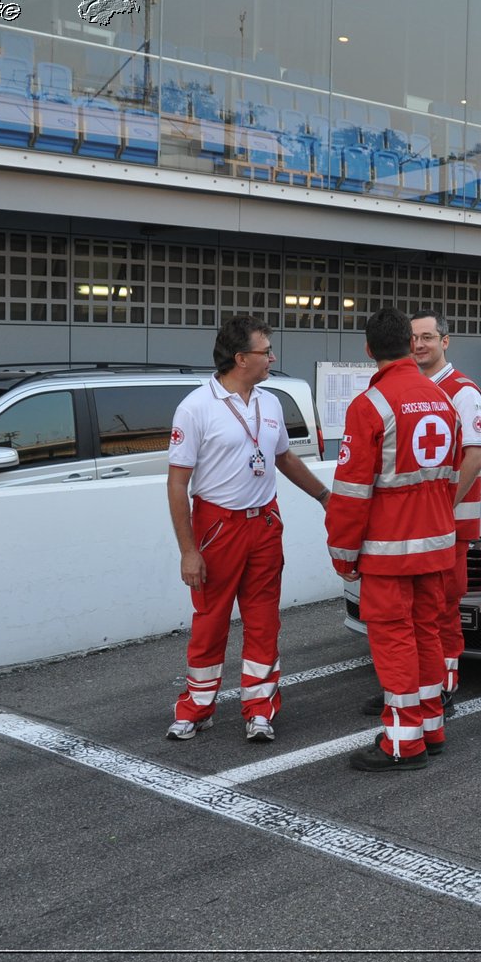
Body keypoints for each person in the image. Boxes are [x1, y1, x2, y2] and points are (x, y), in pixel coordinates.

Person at [165, 315, 332, 743]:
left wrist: (324, 496)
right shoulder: (196, 406)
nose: (272, 358)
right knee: (210, 620)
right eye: (265, 351)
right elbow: (178, 482)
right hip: (217, 526)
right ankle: (197, 708)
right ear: (241, 358)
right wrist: (188, 550)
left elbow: (285, 459)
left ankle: (260, 708)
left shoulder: (270, 401)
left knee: (263, 621)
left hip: (264, 523)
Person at [328, 307, 460, 769]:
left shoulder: (371, 406)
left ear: (368, 351)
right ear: (409, 344)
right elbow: (450, 478)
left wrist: (342, 555)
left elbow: (349, 494)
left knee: (394, 642)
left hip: (388, 553)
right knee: (426, 635)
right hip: (437, 544)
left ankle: (403, 743)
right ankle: (430, 727)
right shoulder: (442, 399)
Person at [359, 310, 481, 719]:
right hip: (416, 529)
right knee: (412, 616)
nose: (420, 345)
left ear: (445, 342)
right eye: (414, 337)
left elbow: (476, 456)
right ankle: (412, 689)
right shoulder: (409, 387)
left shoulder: (462, 391)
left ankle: (442, 689)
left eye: (428, 337)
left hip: (448, 524)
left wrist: (444, 507)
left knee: (441, 611)